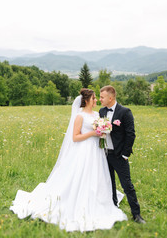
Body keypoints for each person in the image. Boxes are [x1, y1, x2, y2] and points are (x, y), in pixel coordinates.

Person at [10, 88, 127, 232]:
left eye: (97, 98)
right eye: (94, 98)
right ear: (87, 100)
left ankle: (98, 199)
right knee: (80, 176)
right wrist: (93, 133)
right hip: (83, 150)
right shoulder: (80, 116)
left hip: (96, 151)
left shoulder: (97, 114)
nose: (96, 100)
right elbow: (75, 137)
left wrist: (102, 132)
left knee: (96, 175)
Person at [99, 85, 146, 224]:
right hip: (104, 154)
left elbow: (131, 134)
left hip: (119, 156)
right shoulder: (101, 111)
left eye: (102, 97)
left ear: (110, 97)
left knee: (127, 185)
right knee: (109, 183)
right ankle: (113, 207)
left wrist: (125, 154)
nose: (100, 99)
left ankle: (136, 215)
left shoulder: (125, 112)